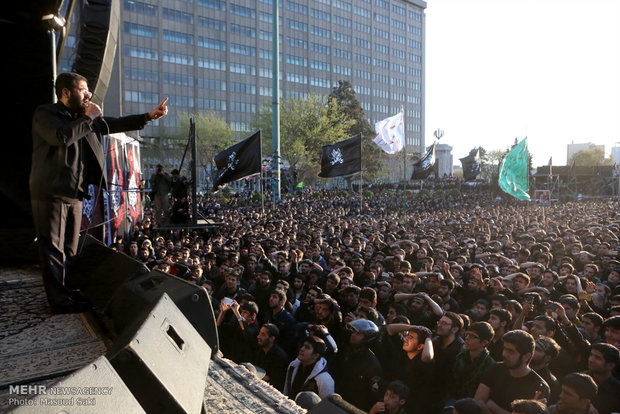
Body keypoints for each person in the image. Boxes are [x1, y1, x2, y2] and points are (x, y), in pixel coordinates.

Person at [30, 72, 167, 314]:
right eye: (83, 90)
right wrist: (88, 117)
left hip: (74, 194)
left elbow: (113, 123)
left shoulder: (83, 119)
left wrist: (147, 116)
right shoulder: (47, 115)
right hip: (50, 192)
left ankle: (69, 292)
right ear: (65, 93)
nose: (88, 96)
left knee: (71, 249)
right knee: (52, 248)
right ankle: (58, 302)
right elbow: (62, 137)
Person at [475, 330, 550, 413]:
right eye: (505, 349)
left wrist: (493, 406)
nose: (504, 354)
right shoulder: (495, 368)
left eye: (510, 351)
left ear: (526, 356)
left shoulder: (539, 386)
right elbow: (478, 401)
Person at [283, 336, 334, 400]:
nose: (302, 349)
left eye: (307, 347)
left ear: (316, 355)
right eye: (303, 346)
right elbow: (286, 391)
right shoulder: (293, 365)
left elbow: (325, 406)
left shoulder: (324, 380)